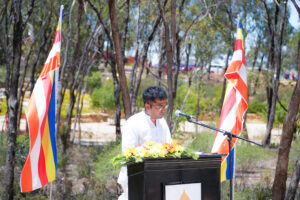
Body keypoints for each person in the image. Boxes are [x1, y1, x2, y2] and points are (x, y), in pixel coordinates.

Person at [117, 86, 172, 200]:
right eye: (159, 106)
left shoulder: (163, 123)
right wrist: (150, 151)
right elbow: (128, 153)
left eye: (164, 105)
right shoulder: (133, 123)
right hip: (137, 180)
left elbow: (169, 147)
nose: (163, 109)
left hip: (161, 178)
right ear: (148, 106)